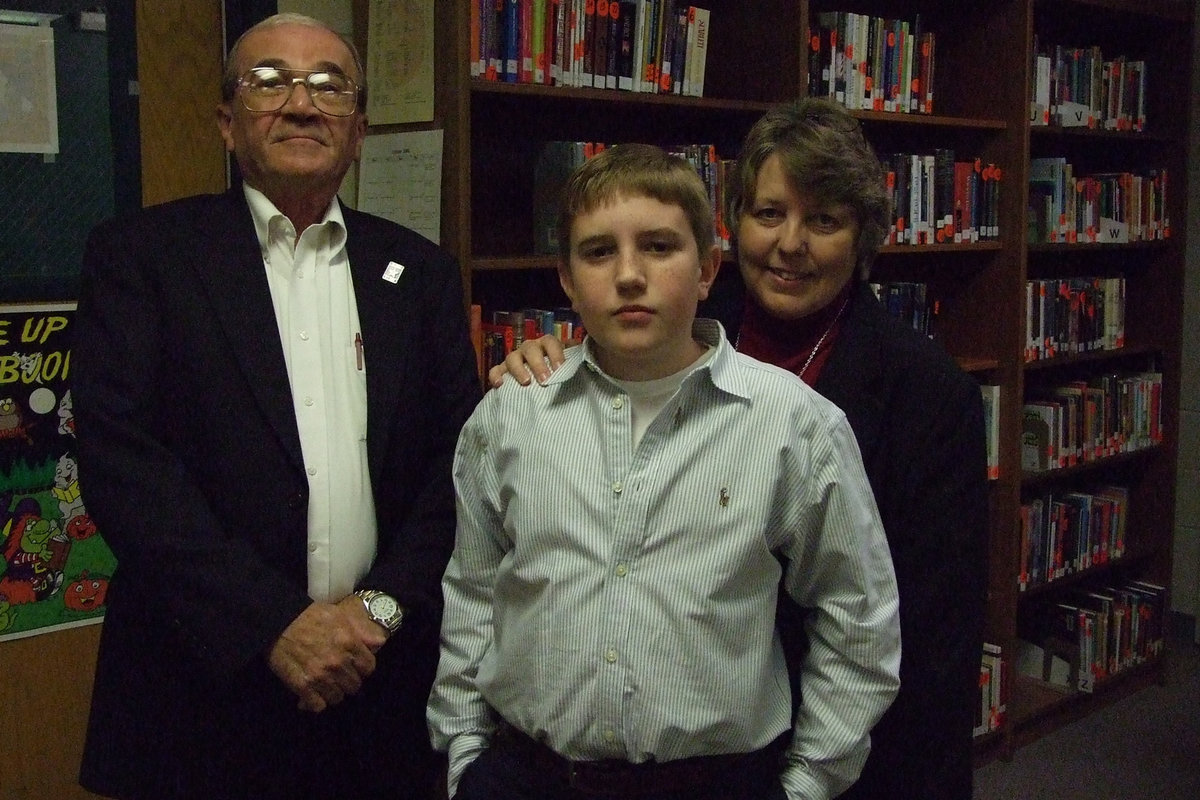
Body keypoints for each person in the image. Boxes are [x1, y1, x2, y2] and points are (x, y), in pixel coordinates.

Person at [491, 98, 990, 800]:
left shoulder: (929, 395)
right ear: (731, 229)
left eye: (824, 220)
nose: (791, 244)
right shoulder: (678, 325)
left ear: (862, 237)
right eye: (769, 214)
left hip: (846, 759)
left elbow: (929, 640)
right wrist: (551, 360)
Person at [72, 13, 480, 799]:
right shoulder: (141, 258)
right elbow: (125, 468)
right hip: (197, 691)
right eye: (269, 81)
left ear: (358, 129)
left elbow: (455, 468)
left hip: (376, 690)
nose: (302, 103)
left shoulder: (418, 272)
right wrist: (275, 626)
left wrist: (378, 612)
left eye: (330, 86)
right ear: (228, 122)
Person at [428, 143, 901, 800]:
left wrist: (810, 784)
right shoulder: (510, 418)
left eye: (658, 247)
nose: (628, 275)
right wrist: (465, 755)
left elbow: (858, 615)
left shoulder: (795, 424)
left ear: (708, 267)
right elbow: (474, 596)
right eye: (598, 252)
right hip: (526, 773)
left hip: (714, 780)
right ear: (565, 278)